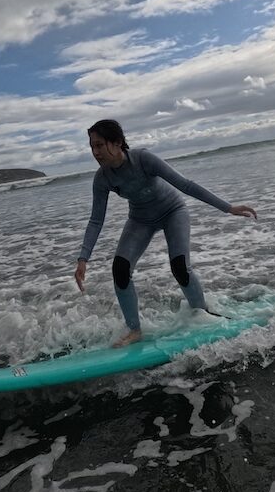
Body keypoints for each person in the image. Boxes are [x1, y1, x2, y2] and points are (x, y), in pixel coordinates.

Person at [74, 119, 257, 347]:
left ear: (118, 142)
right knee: (120, 270)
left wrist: (227, 207)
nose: (95, 152)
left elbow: (185, 185)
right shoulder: (102, 178)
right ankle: (134, 330)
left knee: (179, 266)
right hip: (140, 219)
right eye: (92, 146)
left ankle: (202, 314)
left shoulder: (143, 159)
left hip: (173, 211)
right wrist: (83, 259)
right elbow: (96, 220)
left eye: (100, 145)